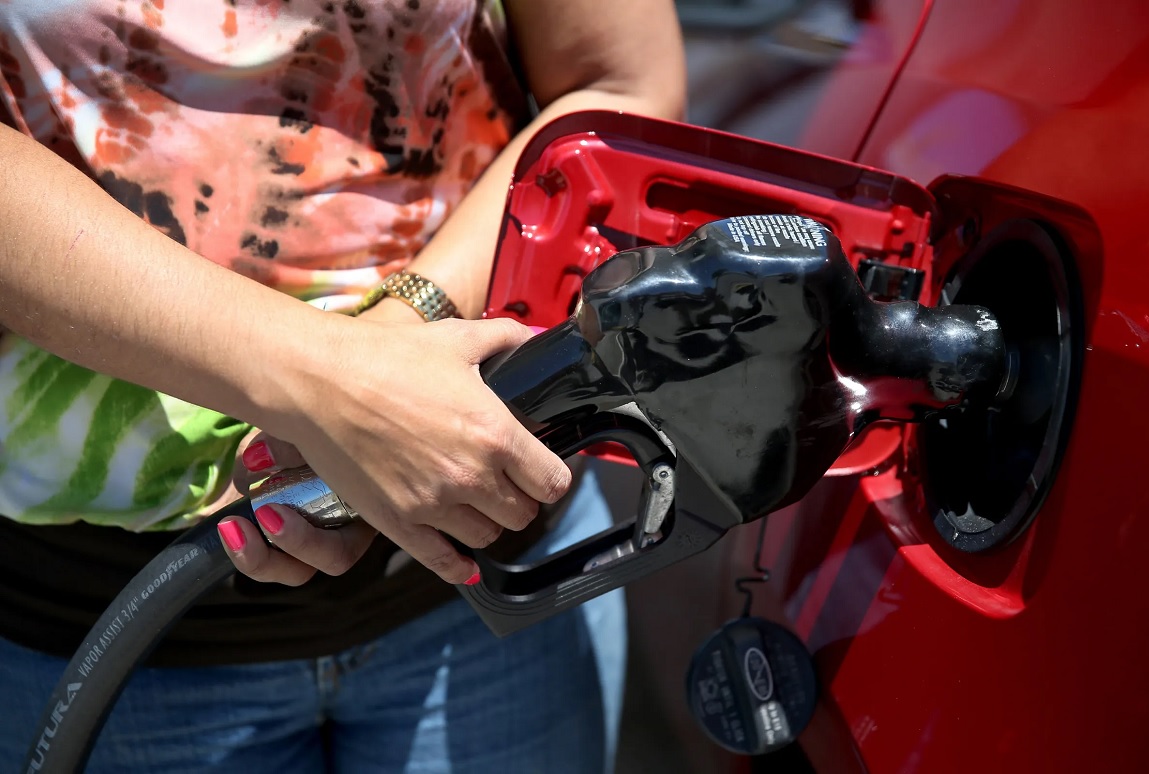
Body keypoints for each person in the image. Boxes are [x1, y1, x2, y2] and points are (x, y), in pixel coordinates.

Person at [0, 1, 685, 771]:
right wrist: (331, 387)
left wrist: (395, 340)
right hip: (104, 627)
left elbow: (622, 82)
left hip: (501, 581)